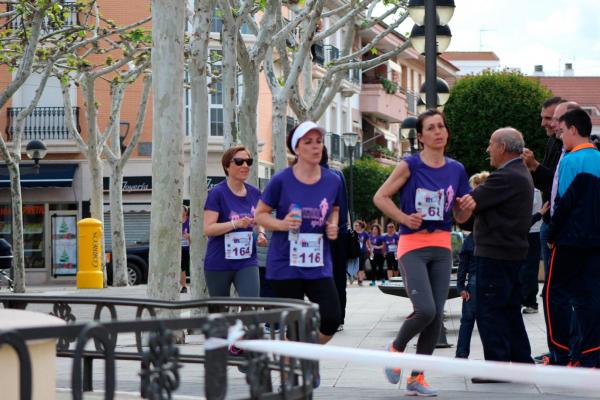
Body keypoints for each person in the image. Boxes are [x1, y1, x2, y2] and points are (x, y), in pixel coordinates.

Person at [373, 109, 474, 396]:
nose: (438, 132)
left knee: (437, 313)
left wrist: (465, 208)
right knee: (425, 309)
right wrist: (404, 219)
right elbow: (380, 196)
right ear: (420, 136)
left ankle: (417, 377)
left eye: (441, 126)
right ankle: (395, 349)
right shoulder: (410, 165)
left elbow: (461, 218)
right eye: (431, 128)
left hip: (441, 245)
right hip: (413, 245)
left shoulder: (456, 169)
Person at [254, 120, 343, 346]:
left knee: (332, 319)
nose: (316, 147)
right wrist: (282, 224)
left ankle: (301, 354)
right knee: (295, 326)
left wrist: (332, 224)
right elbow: (260, 214)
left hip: (318, 263)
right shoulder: (281, 180)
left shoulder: (332, 180)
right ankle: (293, 372)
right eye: (308, 142)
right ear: (296, 148)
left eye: (319, 142)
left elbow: (334, 208)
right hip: (286, 263)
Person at [464, 127, 534, 373]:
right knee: (509, 311)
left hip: (495, 254)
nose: (487, 149)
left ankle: (498, 367)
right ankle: (521, 361)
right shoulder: (520, 172)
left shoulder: (504, 177)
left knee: (490, 312)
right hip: (510, 253)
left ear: (503, 147)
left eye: (491, 144)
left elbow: (471, 202)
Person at [546, 108, 600, 368]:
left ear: (574, 130)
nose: (562, 136)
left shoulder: (569, 160)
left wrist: (552, 234)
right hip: (595, 241)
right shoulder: (599, 158)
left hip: (569, 241)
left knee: (553, 295)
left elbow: (562, 204)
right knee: (590, 296)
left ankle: (563, 352)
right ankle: (591, 354)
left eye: (563, 131)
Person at [203, 145, 261, 298]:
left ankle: (246, 323)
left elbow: (258, 219)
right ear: (227, 166)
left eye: (248, 162)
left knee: (252, 306)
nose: (245, 165)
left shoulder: (255, 192)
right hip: (219, 262)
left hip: (247, 261)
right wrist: (235, 224)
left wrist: (261, 233)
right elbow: (208, 229)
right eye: (239, 161)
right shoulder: (217, 193)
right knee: (219, 313)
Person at [455, 171, 489, 359]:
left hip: (476, 280)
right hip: (488, 277)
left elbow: (464, 261)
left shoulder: (475, 225)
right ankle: (493, 360)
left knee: (468, 321)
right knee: (487, 322)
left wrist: (461, 286)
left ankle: (461, 356)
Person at [320, 147, 350, 332]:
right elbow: (343, 204)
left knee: (322, 277)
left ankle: (326, 314)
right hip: (340, 232)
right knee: (339, 276)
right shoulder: (337, 174)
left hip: (321, 234)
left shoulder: (315, 176)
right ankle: (339, 317)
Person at [519, 189, 547, 314]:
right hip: (531, 231)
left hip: (531, 232)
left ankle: (530, 301)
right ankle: (527, 300)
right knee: (527, 268)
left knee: (528, 269)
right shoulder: (533, 189)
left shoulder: (532, 190)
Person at [354, 220, 369, 286]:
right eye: (355, 225)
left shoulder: (365, 233)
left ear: (360, 226)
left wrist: (371, 251)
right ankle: (358, 278)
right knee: (357, 266)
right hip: (355, 252)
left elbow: (369, 243)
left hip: (363, 252)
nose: (355, 227)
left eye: (356, 225)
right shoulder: (353, 233)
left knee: (361, 266)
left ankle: (360, 280)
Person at [180, 205, 190, 294]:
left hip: (190, 248)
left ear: (186, 212)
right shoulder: (177, 222)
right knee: (182, 268)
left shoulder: (190, 222)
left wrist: (188, 236)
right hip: (180, 249)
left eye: (181, 210)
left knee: (189, 267)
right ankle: (184, 286)